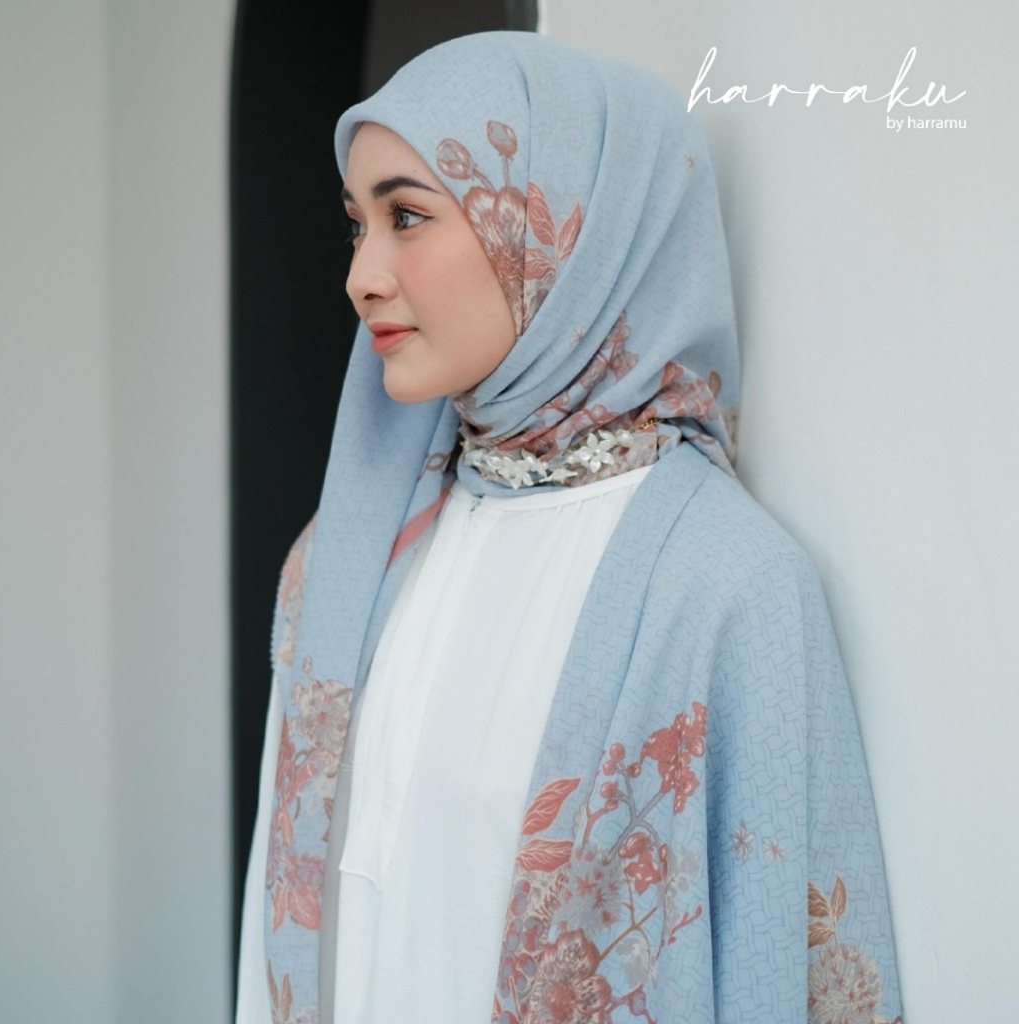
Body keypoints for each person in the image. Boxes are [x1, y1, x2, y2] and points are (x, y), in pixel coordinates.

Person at [235, 30, 902, 1024]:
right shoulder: (339, 560)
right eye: (357, 226)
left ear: (569, 234)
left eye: (407, 216)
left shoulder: (726, 587)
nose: (362, 275)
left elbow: (784, 968)